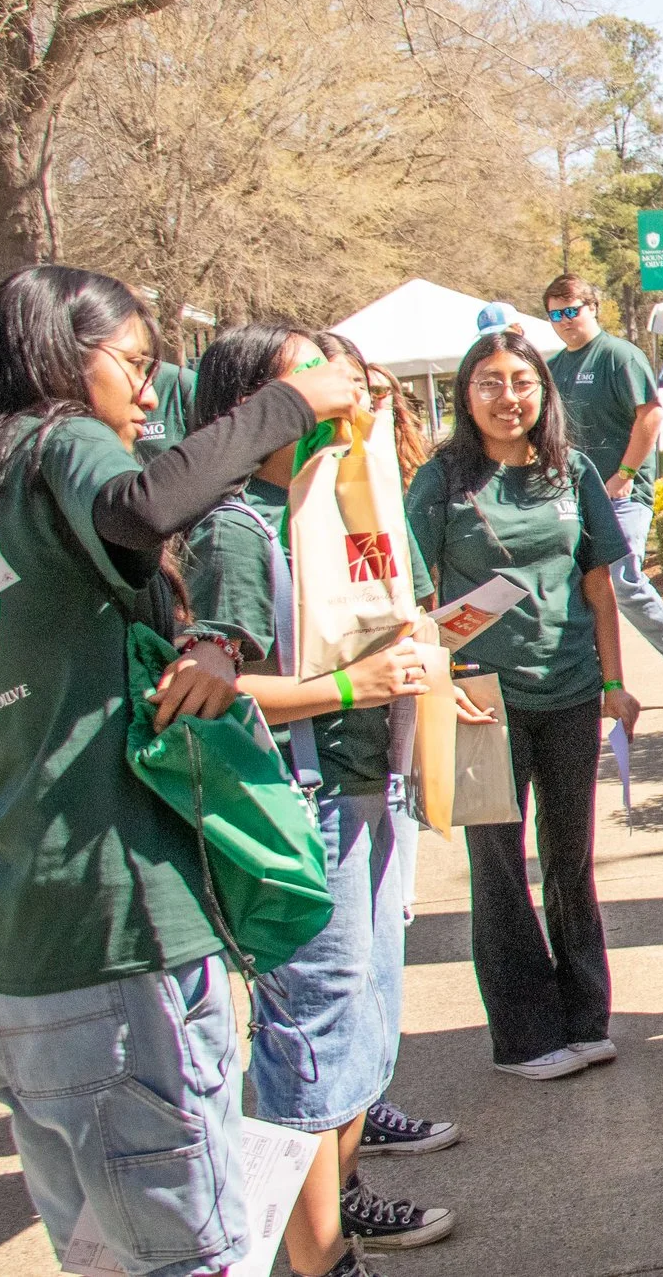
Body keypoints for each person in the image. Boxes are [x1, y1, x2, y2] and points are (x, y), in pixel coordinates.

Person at [0, 265, 362, 1277]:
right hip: (115, 938)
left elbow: (147, 520)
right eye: (137, 362)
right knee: (191, 1256)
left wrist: (210, 636)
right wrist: (292, 402)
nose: (151, 390)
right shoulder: (54, 440)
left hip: (11, 950)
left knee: (109, 1257)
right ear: (67, 356)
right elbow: (147, 503)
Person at [178, 326, 456, 1271]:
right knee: (313, 1038)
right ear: (253, 406)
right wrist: (354, 688)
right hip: (302, 810)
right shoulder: (237, 525)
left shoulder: (342, 501)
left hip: (369, 794)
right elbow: (213, 690)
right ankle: (318, 1255)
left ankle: (341, 1210)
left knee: (359, 1030)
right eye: (309, 371)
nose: (339, 384)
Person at [403, 329, 642, 1079]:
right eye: (490, 383)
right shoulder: (441, 480)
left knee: (572, 859)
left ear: (544, 391)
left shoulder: (572, 472)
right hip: (479, 700)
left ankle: (586, 1015)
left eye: (523, 382)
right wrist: (439, 682)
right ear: (465, 395)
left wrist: (612, 681)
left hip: (570, 691)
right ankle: (525, 1037)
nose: (509, 397)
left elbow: (599, 586)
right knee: (499, 868)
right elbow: (416, 596)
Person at [541, 277, 663, 702]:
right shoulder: (554, 368)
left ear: (593, 307)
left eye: (572, 309)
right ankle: (587, 683)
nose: (565, 320)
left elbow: (649, 417)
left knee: (620, 578)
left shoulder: (618, 356)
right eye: (555, 313)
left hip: (623, 492)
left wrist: (626, 473)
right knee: (577, 588)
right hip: (574, 495)